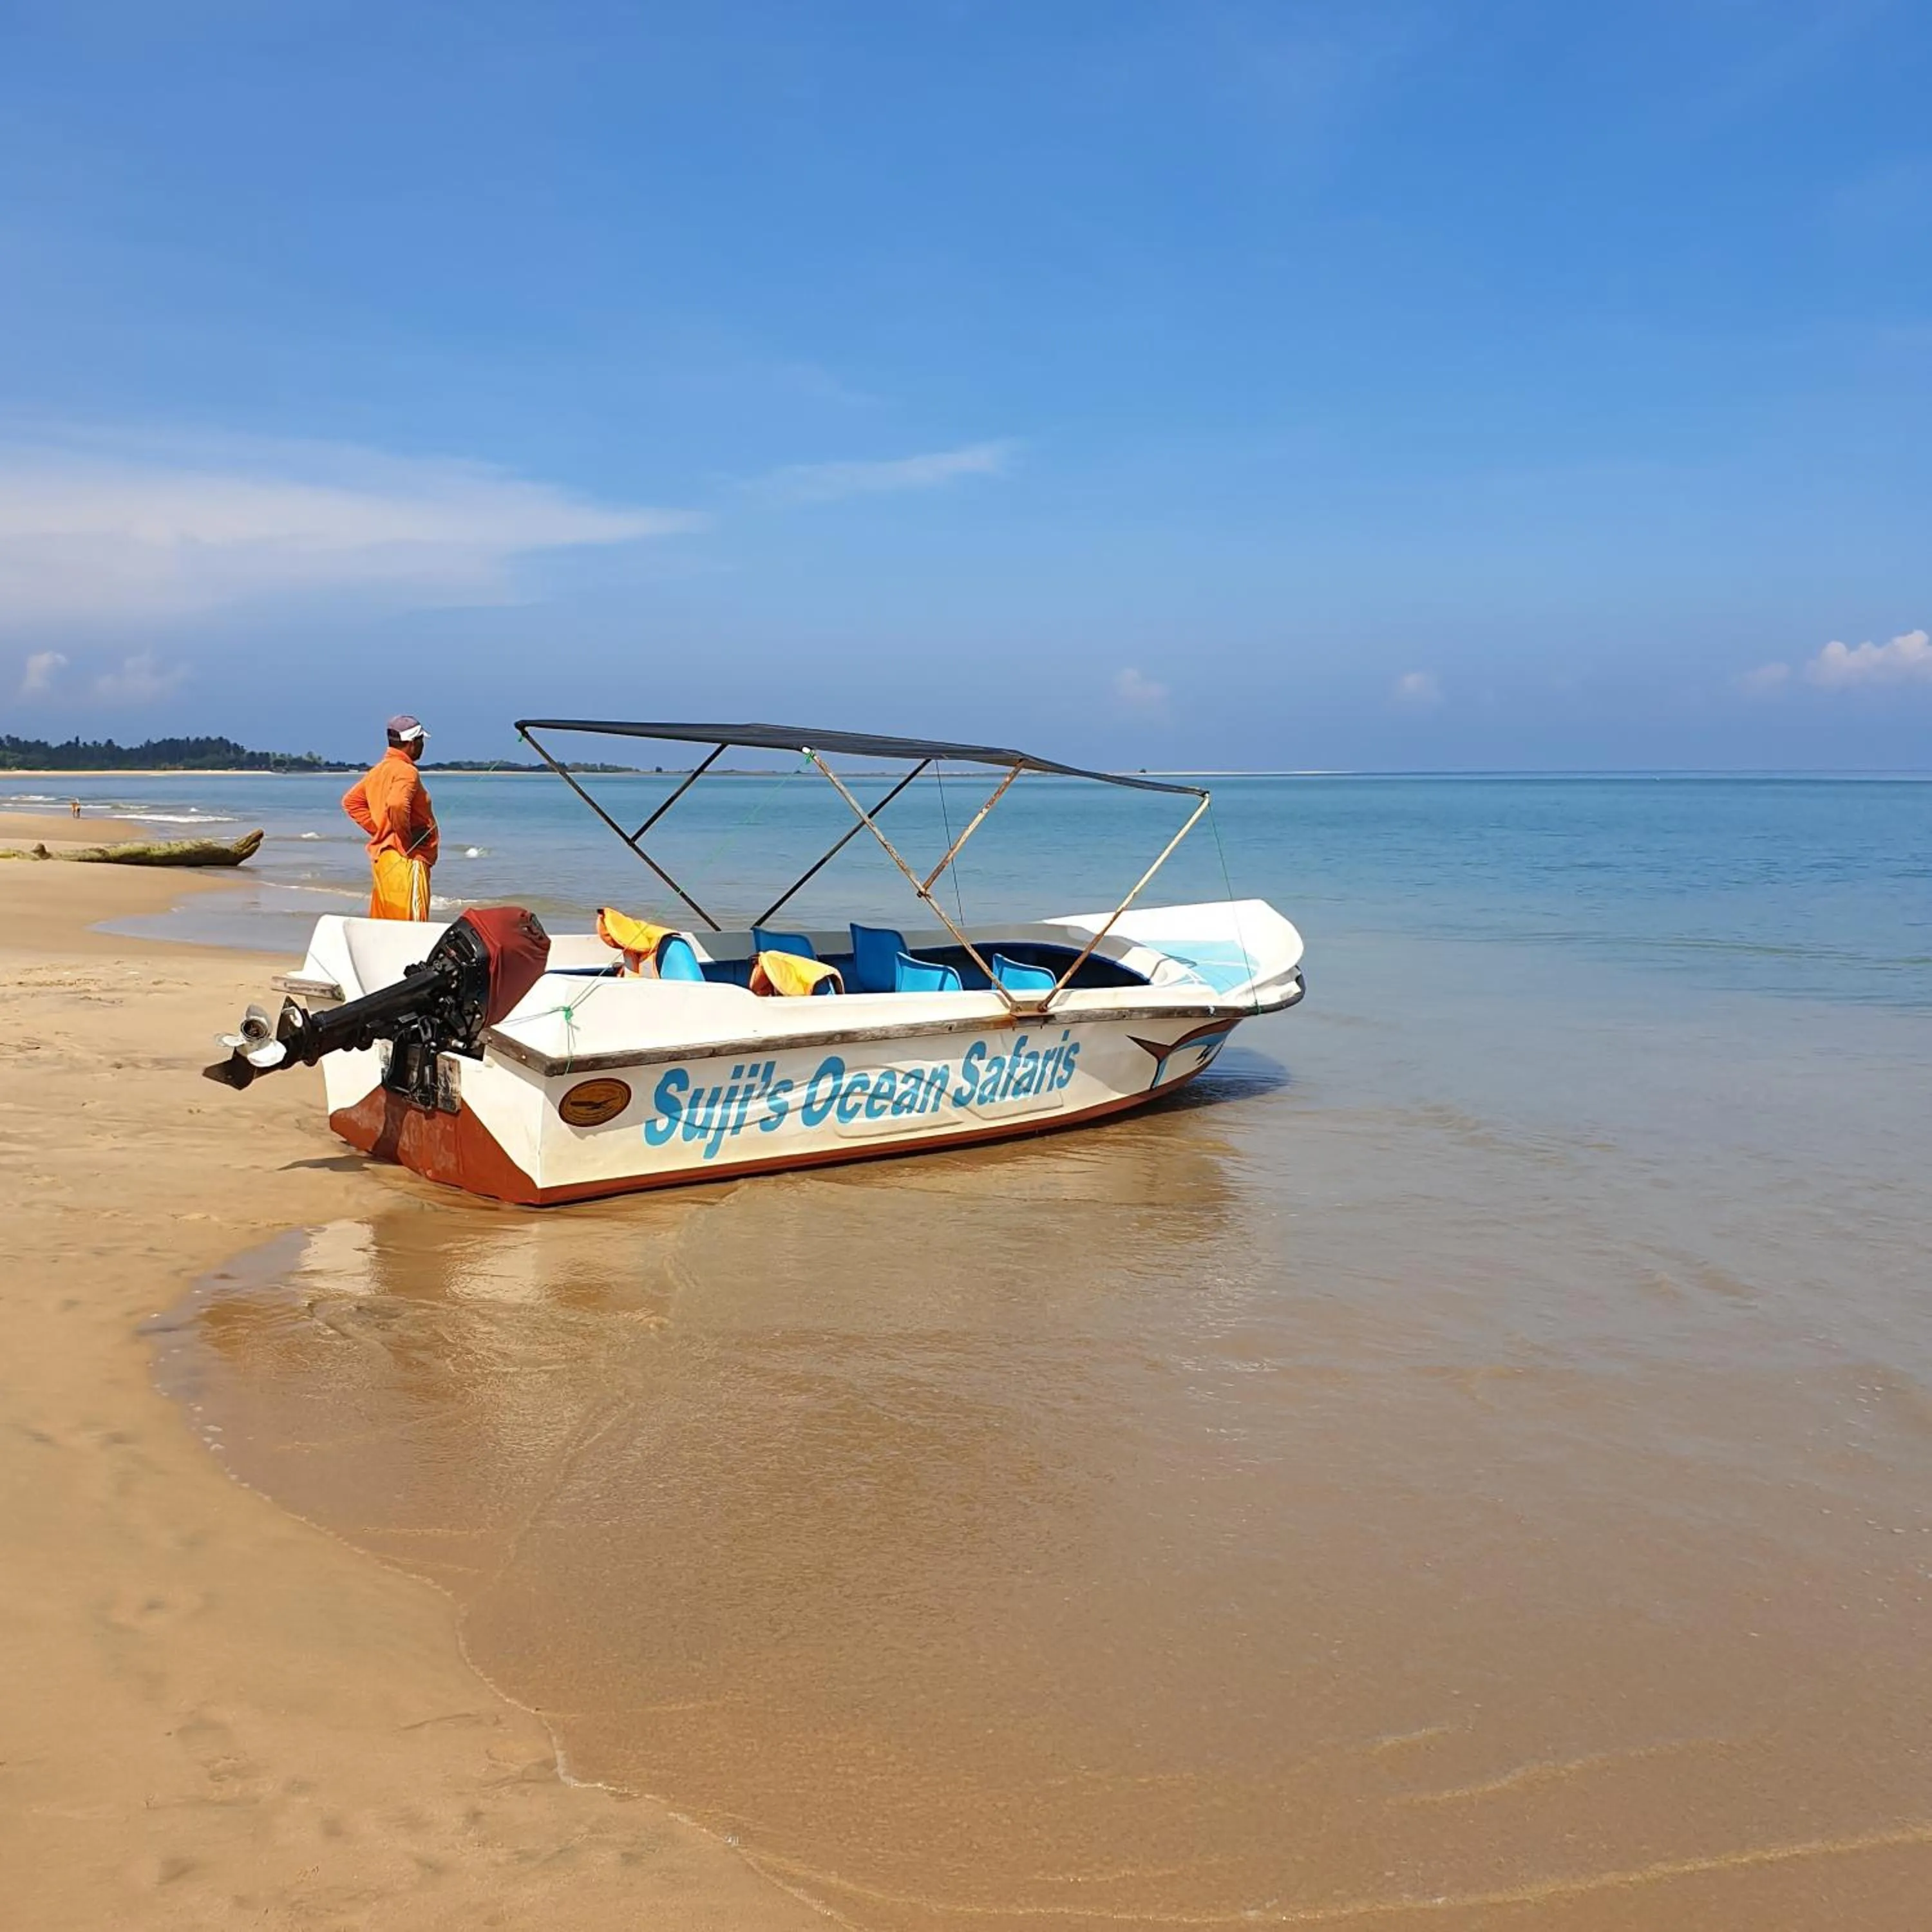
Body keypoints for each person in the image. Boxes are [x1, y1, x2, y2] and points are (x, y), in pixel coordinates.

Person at [341, 714, 439, 919]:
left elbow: (351, 802)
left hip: (384, 859)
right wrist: (404, 838)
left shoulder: (379, 770)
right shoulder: (406, 771)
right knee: (412, 928)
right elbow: (397, 804)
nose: (422, 746)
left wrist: (382, 831)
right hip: (407, 860)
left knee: (385, 926)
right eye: (421, 741)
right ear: (412, 743)